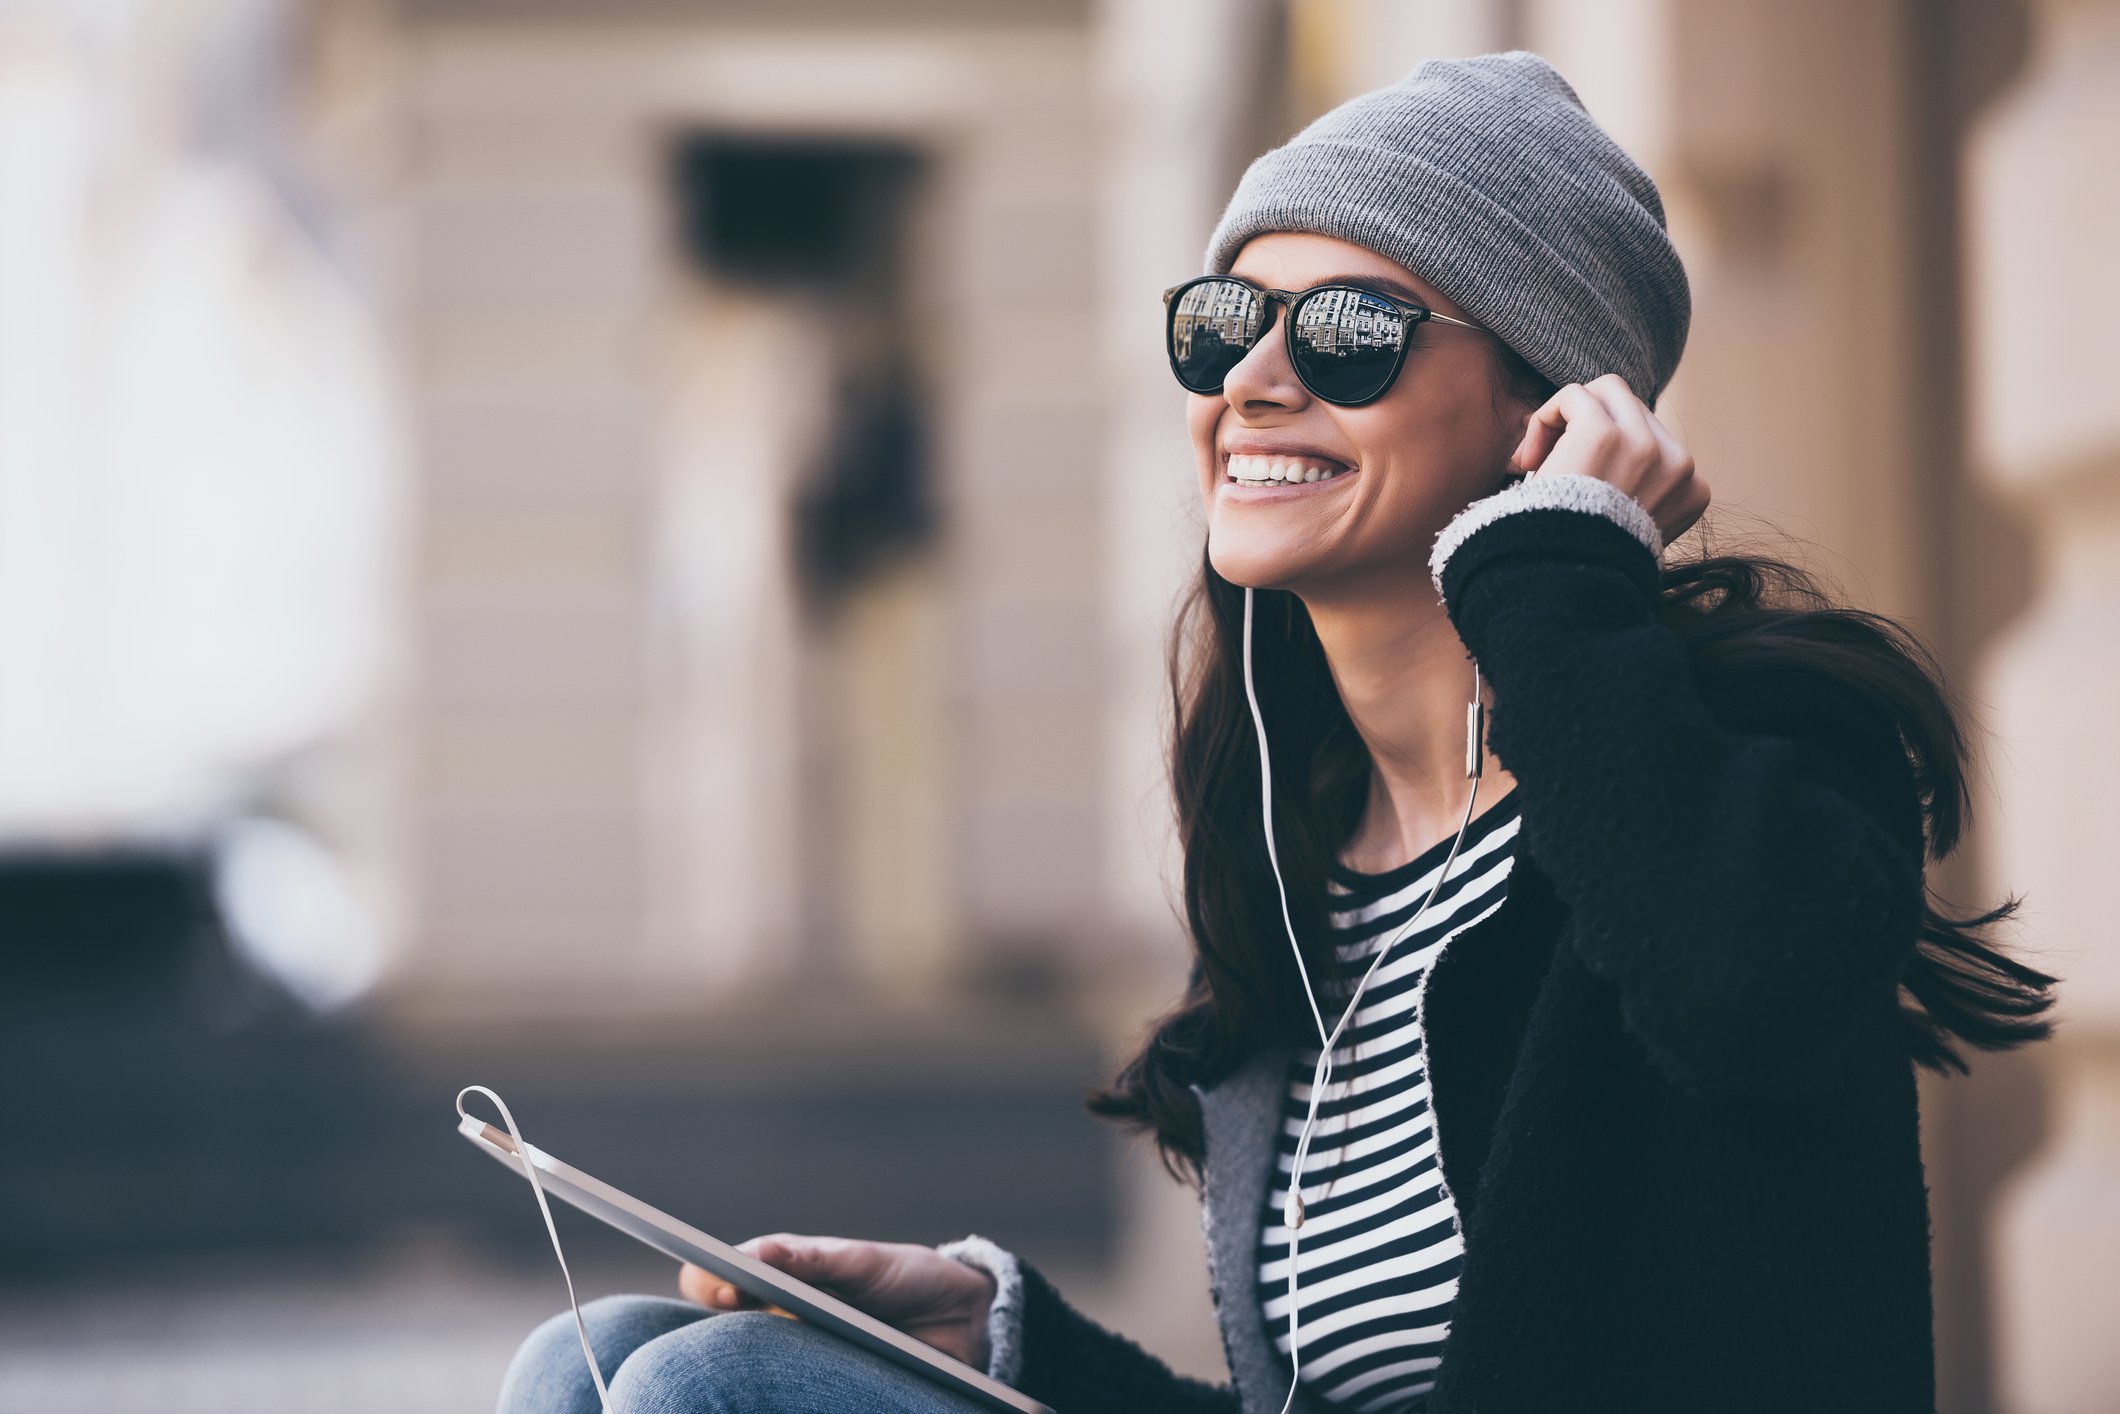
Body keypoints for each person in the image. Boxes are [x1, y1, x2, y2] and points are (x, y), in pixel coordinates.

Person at [497, 49, 2060, 1414]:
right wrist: (1016, 1341)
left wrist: (1564, 582)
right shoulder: (1298, 841)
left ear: (1555, 412)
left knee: (711, 1390)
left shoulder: (1748, 757)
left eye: (1352, 336)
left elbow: (1743, 994)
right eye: (1225, 323)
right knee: (590, 1360)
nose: (1251, 380)